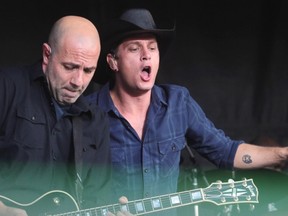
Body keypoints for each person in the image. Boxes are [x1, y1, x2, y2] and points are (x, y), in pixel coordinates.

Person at [87, 8, 288, 216]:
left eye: (152, 48)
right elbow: (67, 185)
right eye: (134, 49)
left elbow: (226, 151)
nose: (146, 55)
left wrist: (282, 154)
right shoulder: (88, 114)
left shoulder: (178, 103)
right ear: (113, 61)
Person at [0, 15, 131, 216]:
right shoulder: (7, 88)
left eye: (88, 70)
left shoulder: (95, 121)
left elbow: (96, 201)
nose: (78, 81)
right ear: (46, 54)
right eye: (70, 67)